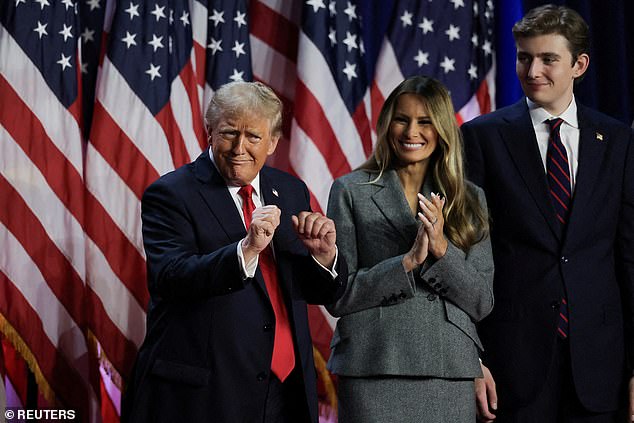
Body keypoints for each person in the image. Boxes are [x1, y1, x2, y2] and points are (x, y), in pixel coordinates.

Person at [121, 81, 348, 423]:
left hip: (286, 391)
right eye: (229, 133)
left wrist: (324, 256)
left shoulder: (289, 190)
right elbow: (170, 277)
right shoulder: (170, 193)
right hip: (207, 394)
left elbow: (313, 290)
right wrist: (246, 250)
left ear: (272, 142)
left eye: (253, 137)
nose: (239, 147)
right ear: (209, 131)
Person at [461, 5, 634, 422]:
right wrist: (471, 359)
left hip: (600, 367)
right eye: (524, 57)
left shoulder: (616, 140)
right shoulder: (482, 137)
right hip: (512, 366)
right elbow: (466, 258)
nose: (533, 70)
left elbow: (628, 257)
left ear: (579, 65)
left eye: (548, 59)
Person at [326, 75, 494, 422]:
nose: (410, 131)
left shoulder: (469, 198)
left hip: (448, 370)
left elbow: (481, 301)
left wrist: (442, 249)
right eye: (402, 119)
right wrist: (405, 264)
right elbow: (339, 295)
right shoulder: (350, 190)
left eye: (425, 121)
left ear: (442, 128)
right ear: (388, 123)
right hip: (374, 364)